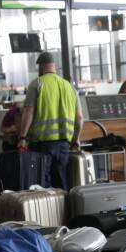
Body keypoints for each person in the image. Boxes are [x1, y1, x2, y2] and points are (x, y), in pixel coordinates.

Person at [18, 51, 83, 189]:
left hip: (41, 145)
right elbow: (79, 118)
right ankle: (64, 210)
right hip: (63, 145)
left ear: (41, 67)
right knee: (61, 181)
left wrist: (22, 137)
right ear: (54, 67)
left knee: (43, 183)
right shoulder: (69, 87)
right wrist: (76, 138)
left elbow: (28, 112)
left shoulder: (37, 84)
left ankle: (47, 210)